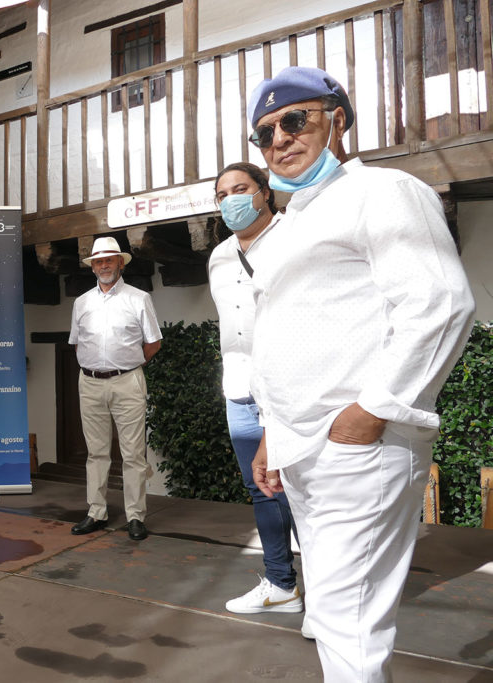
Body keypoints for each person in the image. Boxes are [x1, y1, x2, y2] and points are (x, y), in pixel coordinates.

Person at [247, 66, 474, 681]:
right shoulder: (293, 221)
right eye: (264, 134)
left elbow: (440, 304)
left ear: (337, 118)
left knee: (348, 621)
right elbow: (288, 335)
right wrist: (273, 433)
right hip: (304, 448)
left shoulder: (385, 191)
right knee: (331, 611)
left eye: (294, 120)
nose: (280, 141)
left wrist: (373, 411)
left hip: (357, 446)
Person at [208, 162, 304, 618]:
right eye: (223, 194)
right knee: (262, 490)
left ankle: (328, 599)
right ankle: (281, 584)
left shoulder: (295, 237)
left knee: (304, 492)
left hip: (289, 389)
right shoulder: (219, 256)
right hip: (240, 390)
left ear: (264, 192)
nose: (232, 201)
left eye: (241, 189)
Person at [69, 236, 161, 541]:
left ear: (120, 263)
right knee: (95, 453)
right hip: (90, 382)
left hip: (128, 381)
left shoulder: (139, 298)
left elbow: (154, 343)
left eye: (109, 260)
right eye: (98, 261)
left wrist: (128, 365)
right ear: (92, 266)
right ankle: (96, 512)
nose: (104, 265)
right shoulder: (81, 302)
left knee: (133, 453)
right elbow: (77, 343)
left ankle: (135, 516)